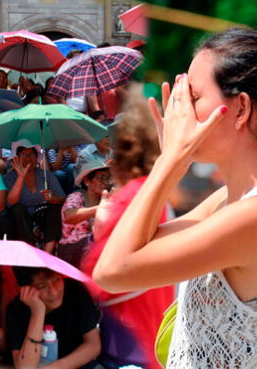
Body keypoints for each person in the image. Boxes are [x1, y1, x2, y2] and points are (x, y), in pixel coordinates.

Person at [92, 28, 257, 368]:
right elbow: (136, 246)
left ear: (241, 109)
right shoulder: (229, 201)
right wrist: (172, 162)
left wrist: (169, 160)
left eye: (194, 97)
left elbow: (113, 271)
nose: (180, 111)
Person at [82, 89, 174, 369]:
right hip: (154, 323)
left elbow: (100, 277)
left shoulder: (131, 197)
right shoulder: (156, 194)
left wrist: (99, 232)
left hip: (130, 333)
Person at [6, 267, 101, 369]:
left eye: (56, 279)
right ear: (25, 289)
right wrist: (38, 313)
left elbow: (93, 345)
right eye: (41, 286)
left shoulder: (75, 290)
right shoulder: (17, 309)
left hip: (79, 364)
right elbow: (25, 367)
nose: (53, 292)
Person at [4, 140, 65, 253]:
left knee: (55, 208)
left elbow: (63, 198)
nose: (28, 158)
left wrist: (53, 199)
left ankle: (47, 254)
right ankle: (30, 249)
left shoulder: (46, 175)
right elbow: (10, 202)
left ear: (37, 157)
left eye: (32, 154)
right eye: (23, 154)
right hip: (22, 221)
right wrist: (21, 177)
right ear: (16, 158)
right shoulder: (9, 178)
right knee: (17, 208)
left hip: (43, 219)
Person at [59, 160, 111, 267]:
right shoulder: (76, 197)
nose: (106, 182)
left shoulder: (107, 199)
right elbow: (69, 216)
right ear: (87, 181)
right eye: (101, 178)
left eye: (108, 178)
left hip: (97, 248)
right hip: (72, 249)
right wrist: (100, 208)